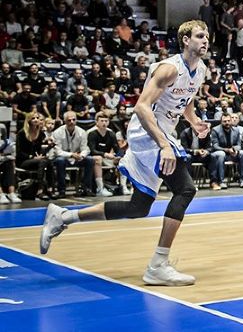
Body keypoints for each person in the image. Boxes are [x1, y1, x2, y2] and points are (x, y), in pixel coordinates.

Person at [40, 20, 211, 287]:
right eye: (200, 35)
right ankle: (158, 265)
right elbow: (142, 107)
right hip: (147, 133)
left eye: (207, 36)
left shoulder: (199, 70)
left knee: (138, 207)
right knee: (186, 189)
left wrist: (193, 121)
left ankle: (63, 217)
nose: (206, 40)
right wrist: (165, 145)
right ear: (185, 40)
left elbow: (185, 101)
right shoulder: (169, 68)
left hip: (163, 133)